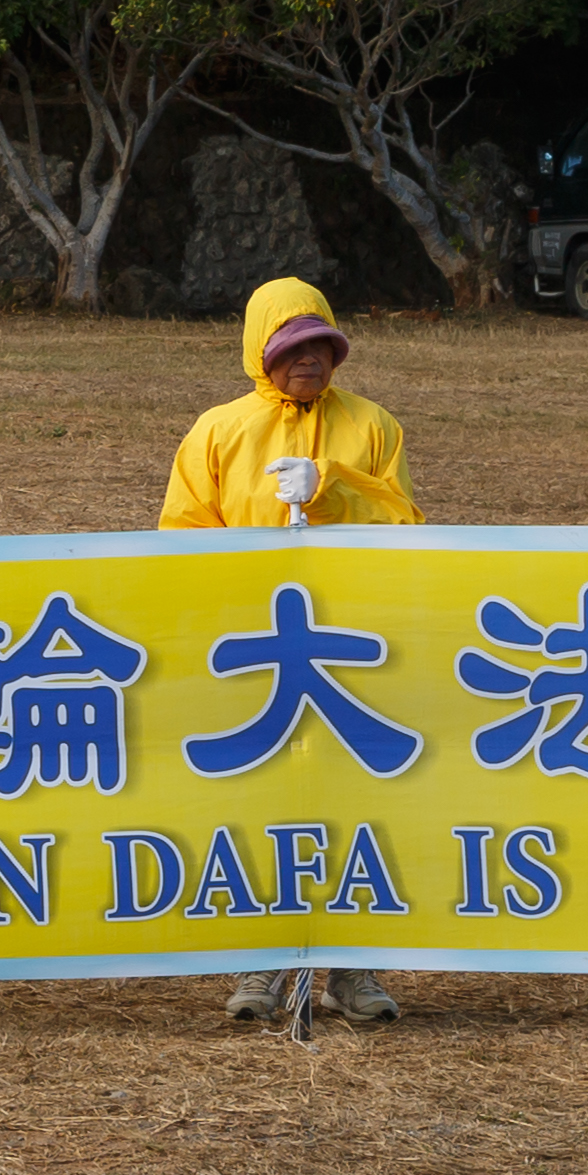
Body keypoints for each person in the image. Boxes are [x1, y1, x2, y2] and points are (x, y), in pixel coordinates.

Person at [160, 276, 421, 1025]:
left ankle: (352, 968)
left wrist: (332, 487)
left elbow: (407, 525)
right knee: (256, 803)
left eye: (320, 347)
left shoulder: (375, 427)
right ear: (260, 354)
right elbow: (179, 539)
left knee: (354, 804)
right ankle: (262, 962)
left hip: (349, 649)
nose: (308, 361)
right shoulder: (216, 432)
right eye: (291, 349)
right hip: (252, 653)